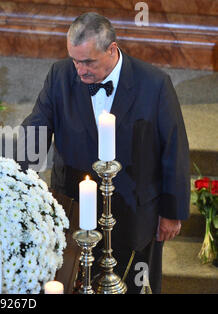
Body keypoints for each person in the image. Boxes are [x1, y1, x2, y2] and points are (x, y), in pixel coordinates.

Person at [16, 12, 190, 293]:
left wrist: (172, 211)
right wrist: (9, 176)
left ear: (112, 49)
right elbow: (36, 131)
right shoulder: (60, 75)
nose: (79, 70)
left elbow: (174, 148)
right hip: (73, 209)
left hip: (134, 214)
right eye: (75, 60)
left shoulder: (155, 84)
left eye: (88, 62)